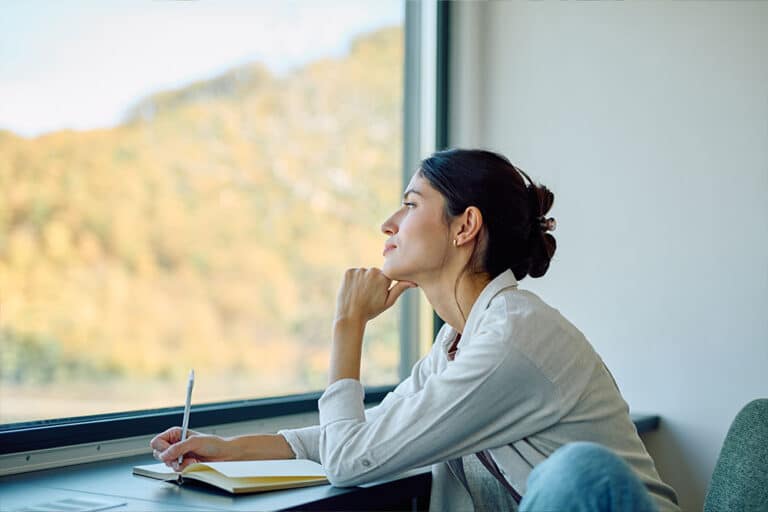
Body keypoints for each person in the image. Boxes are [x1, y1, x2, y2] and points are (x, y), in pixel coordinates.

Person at [151, 149, 680, 512]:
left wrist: (347, 326)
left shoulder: (511, 339)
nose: (388, 223)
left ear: (464, 226)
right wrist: (226, 448)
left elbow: (348, 460)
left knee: (578, 471)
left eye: (409, 204)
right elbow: (361, 438)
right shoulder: (456, 345)